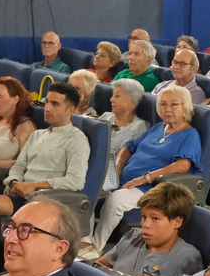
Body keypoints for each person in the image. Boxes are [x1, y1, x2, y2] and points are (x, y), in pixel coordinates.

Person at [83, 84, 202, 257]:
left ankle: (96, 245)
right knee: (89, 187)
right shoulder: (157, 128)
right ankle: (84, 240)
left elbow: (182, 165)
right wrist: (118, 165)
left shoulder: (190, 135)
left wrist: (147, 178)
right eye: (163, 104)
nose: (167, 109)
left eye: (174, 104)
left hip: (151, 188)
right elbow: (128, 147)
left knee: (116, 200)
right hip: (124, 179)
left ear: (186, 107)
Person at [0, 82, 90, 216]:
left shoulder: (77, 139)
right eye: (47, 102)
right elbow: (19, 165)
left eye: (55, 104)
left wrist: (34, 185)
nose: (47, 108)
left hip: (42, 202)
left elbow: (75, 181)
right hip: (19, 195)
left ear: (70, 110)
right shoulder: (36, 135)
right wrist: (13, 181)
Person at [96, 181, 203, 276]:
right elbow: (98, 268)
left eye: (155, 218)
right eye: (144, 217)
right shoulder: (133, 236)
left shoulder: (188, 259)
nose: (145, 224)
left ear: (177, 222)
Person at [97, 78, 149, 194]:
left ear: (131, 101)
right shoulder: (105, 117)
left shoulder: (140, 127)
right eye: (113, 95)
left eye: (117, 96)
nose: (111, 100)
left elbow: (127, 157)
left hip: (110, 174)